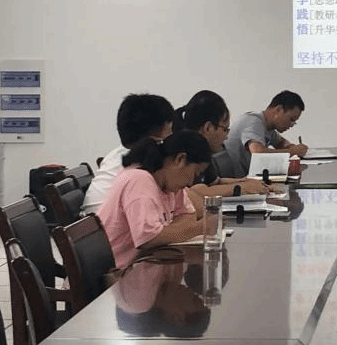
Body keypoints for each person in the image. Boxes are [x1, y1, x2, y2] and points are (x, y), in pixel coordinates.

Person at [96, 130, 214, 269]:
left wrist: (167, 233)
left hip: (141, 265)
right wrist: (201, 228)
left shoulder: (171, 185)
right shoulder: (139, 180)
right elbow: (149, 239)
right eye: (196, 173)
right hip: (114, 274)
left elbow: (189, 216)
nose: (191, 182)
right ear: (180, 159)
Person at [82, 93, 175, 215]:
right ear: (154, 137)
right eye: (169, 133)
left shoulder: (116, 156)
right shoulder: (144, 165)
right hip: (105, 224)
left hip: (93, 222)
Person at [172, 90, 269, 204]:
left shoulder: (202, 150)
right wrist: (241, 187)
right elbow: (195, 192)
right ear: (208, 128)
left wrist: (247, 182)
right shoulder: (184, 150)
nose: (226, 137)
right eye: (225, 130)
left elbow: (214, 182)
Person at [225, 90, 308, 176]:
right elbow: (258, 154)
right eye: (292, 119)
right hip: (234, 179)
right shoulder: (253, 122)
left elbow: (281, 142)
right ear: (278, 110)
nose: (292, 124)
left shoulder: (268, 127)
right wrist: (292, 151)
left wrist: (291, 146)